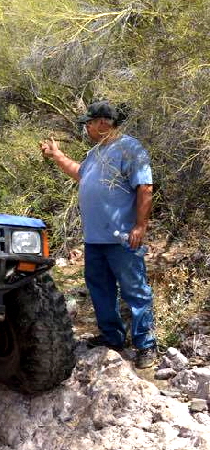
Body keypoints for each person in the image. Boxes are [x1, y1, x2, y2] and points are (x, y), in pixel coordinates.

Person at [40, 100, 158, 368]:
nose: (87, 128)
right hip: (94, 241)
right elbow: (81, 174)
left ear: (103, 123)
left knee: (135, 291)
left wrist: (140, 226)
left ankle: (146, 346)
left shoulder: (130, 148)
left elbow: (145, 188)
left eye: (89, 123)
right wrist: (57, 155)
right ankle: (112, 338)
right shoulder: (95, 153)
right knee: (100, 290)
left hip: (122, 239)